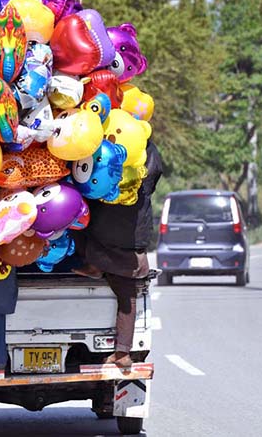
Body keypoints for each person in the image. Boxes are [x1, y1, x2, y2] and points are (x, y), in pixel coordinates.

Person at [72, 142, 163, 368]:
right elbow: (153, 176)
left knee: (79, 224)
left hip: (106, 228)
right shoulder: (146, 148)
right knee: (127, 298)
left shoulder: (103, 142)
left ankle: (94, 265)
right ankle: (122, 352)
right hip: (132, 233)